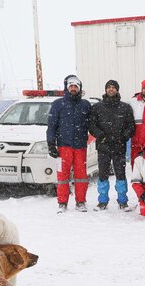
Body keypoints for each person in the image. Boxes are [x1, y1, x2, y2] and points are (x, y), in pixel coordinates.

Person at [46, 74, 92, 214]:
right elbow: (52, 125)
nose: (73, 88)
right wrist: (51, 144)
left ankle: (80, 202)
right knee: (62, 176)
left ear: (79, 88)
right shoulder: (58, 104)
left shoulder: (85, 105)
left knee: (81, 175)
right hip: (63, 146)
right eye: (71, 86)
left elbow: (92, 124)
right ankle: (62, 202)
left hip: (80, 147)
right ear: (67, 87)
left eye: (75, 86)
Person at [89, 79, 135, 211]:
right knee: (103, 174)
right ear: (105, 90)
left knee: (120, 174)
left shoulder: (125, 107)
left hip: (119, 146)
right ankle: (102, 201)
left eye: (113, 87)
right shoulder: (97, 107)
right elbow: (91, 125)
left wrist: (123, 137)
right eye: (108, 87)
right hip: (103, 146)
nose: (111, 89)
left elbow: (131, 126)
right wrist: (100, 135)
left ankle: (122, 200)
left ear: (117, 90)